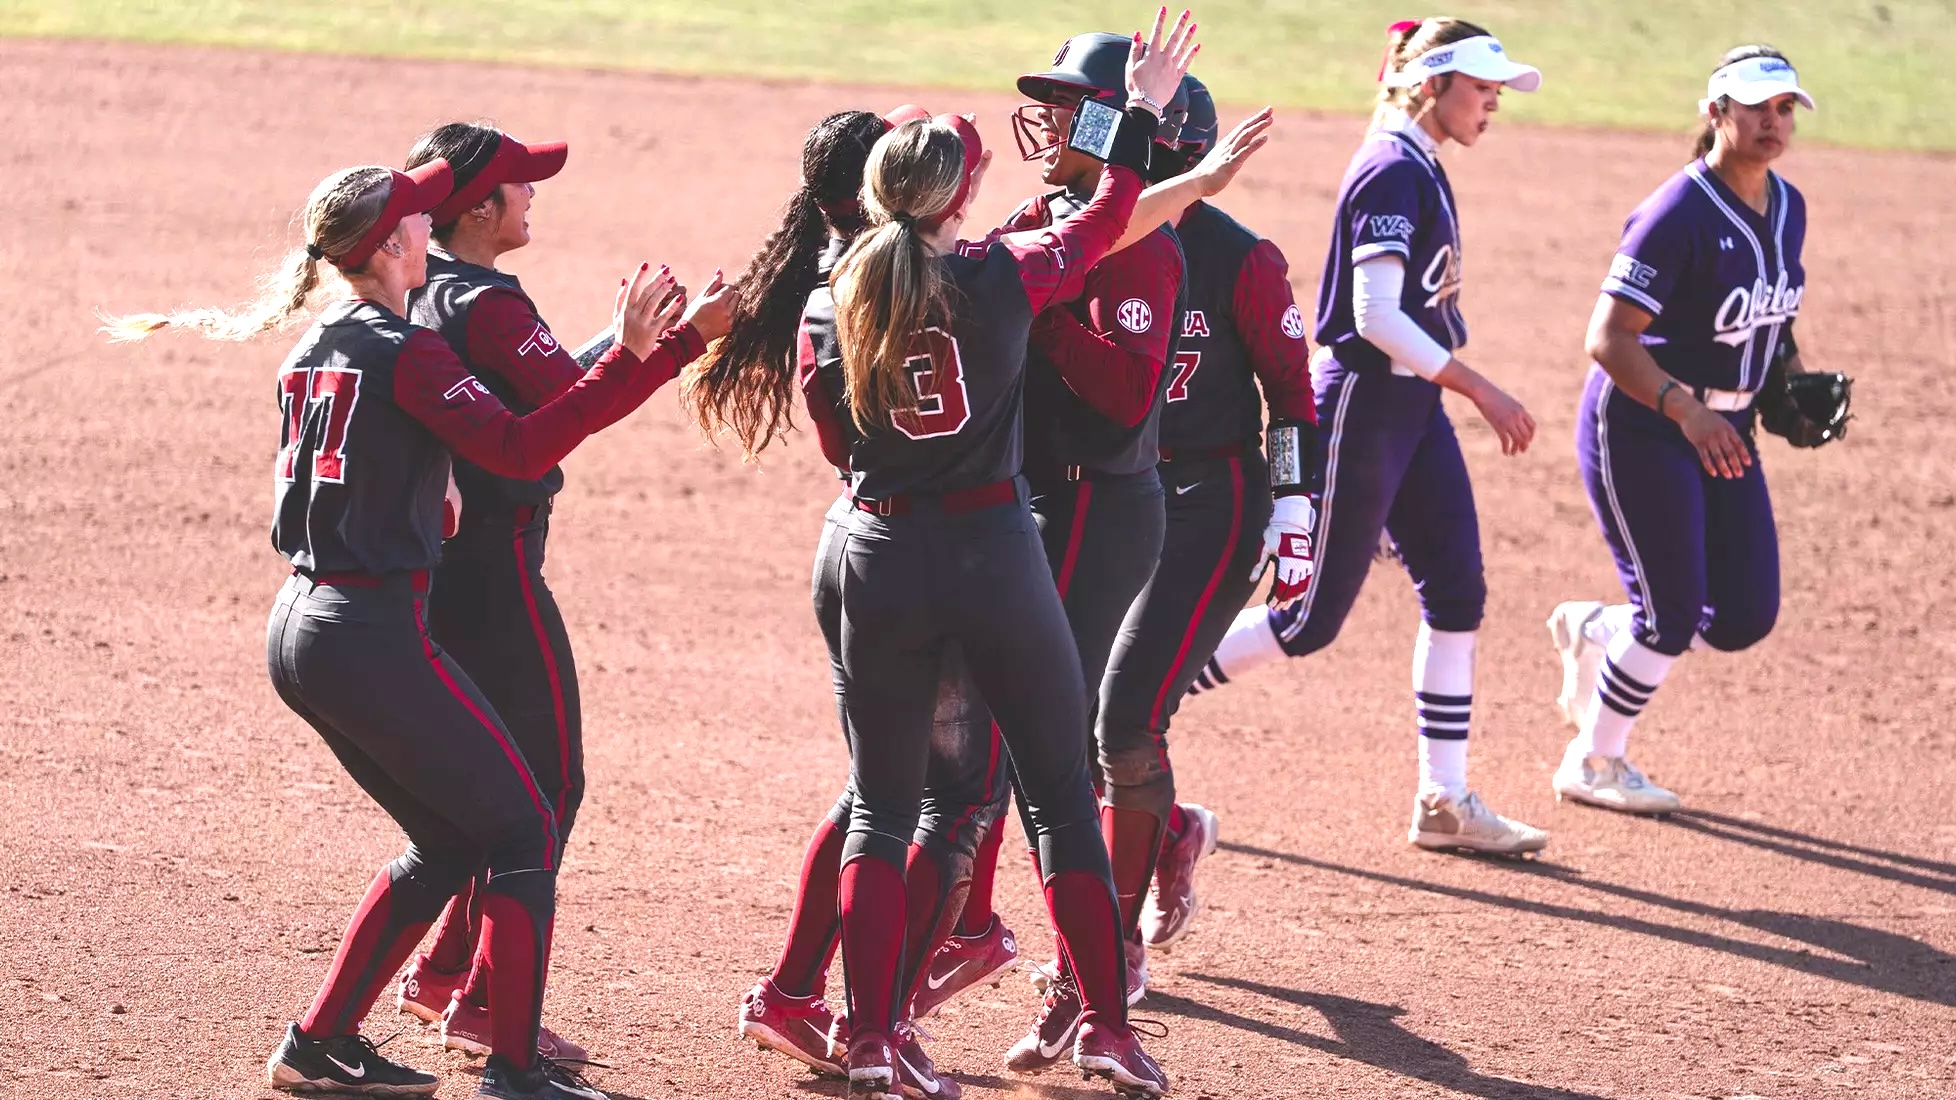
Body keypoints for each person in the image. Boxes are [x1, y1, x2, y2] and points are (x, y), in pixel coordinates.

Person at [105, 159, 705, 1100]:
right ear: (390, 245)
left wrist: (436, 488)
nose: (431, 227)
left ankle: (321, 1044)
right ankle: (513, 1073)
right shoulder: (402, 347)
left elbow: (390, 462)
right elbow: (525, 444)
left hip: (302, 624)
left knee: (450, 840)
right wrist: (635, 353)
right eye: (419, 219)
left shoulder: (317, 346)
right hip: (371, 632)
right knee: (523, 828)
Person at [805, 14, 1196, 1095]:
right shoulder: (998, 274)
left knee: (884, 809)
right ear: (955, 198)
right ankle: (1108, 1030)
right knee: (1064, 795)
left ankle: (873, 1036)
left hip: (879, 549)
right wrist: (1142, 110)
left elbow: (834, 437)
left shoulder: (837, 291)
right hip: (992, 554)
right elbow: (1111, 212)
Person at [389, 123, 733, 1060]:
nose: (533, 198)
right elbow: (581, 405)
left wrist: (645, 339)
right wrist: (689, 340)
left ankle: (447, 978)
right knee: (547, 789)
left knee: (494, 787)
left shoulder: (432, 290)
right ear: (478, 208)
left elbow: (552, 383)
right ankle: (480, 999)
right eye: (521, 188)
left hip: (443, 569)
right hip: (498, 571)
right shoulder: (491, 305)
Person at [701, 106, 1014, 1100]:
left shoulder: (842, 270)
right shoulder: (906, 275)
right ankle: (872, 1005)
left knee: (881, 788)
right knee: (936, 795)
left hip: (866, 546)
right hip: (938, 547)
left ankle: (803, 989)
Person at [1180, 17, 1549, 856]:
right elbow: (1373, 316)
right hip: (1363, 407)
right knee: (1306, 618)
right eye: (1482, 88)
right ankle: (1132, 707)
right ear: (1431, 86)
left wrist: (1448, 387)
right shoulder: (1391, 168)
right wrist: (1479, 387)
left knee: (1457, 591)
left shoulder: (1418, 161)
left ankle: (1444, 800)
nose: (1494, 103)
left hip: (1410, 411)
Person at [1544, 46, 1814, 815]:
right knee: (1669, 613)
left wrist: (1788, 384)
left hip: (1725, 425)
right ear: (1716, 112)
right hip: (1642, 420)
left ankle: (1597, 629)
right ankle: (1594, 761)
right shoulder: (1675, 213)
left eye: (1785, 108)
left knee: (1742, 616)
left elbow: (1775, 315)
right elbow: (1609, 337)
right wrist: (1686, 411)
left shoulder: (1789, 206)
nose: (1773, 122)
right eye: (1757, 106)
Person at [1108, 72, 1320, 952]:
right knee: (1076, 716)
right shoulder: (1093, 238)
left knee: (1124, 719)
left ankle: (1105, 953)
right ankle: (1176, 831)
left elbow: (1292, 397)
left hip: (1209, 499)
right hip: (1111, 495)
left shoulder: (1239, 256)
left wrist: (1296, 504)